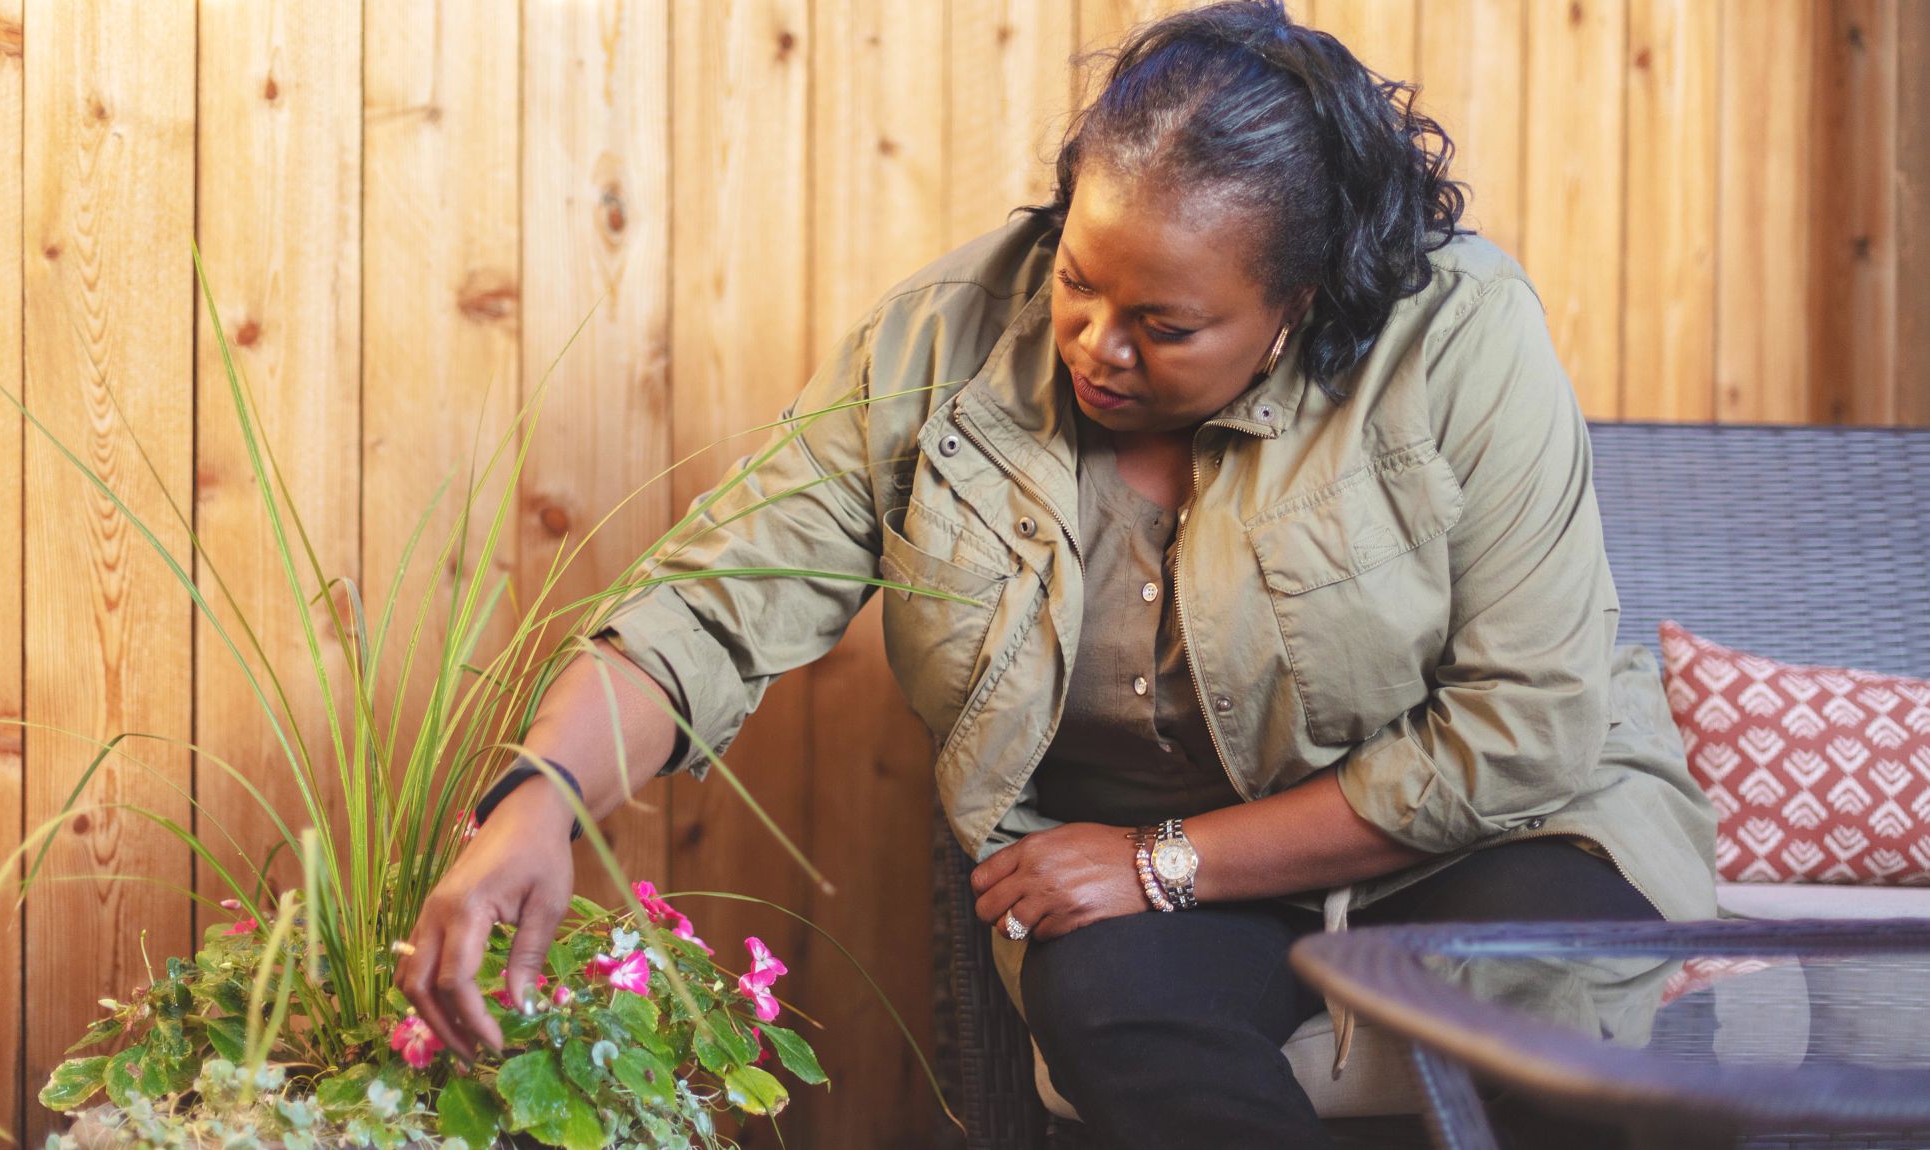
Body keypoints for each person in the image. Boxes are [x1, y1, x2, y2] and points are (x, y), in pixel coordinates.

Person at [398, 1, 1717, 1142]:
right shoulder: (946, 338)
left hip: (1491, 833)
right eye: (1082, 280)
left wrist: (1165, 860)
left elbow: (1522, 726)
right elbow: (723, 592)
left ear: (1297, 304)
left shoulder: (1458, 331)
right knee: (1108, 1001)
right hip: (1141, 867)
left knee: (1556, 987)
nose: (1097, 343)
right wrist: (543, 792)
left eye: (1166, 324)